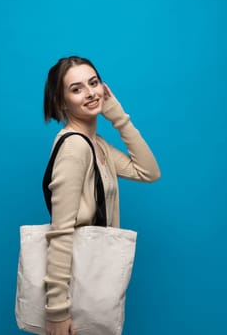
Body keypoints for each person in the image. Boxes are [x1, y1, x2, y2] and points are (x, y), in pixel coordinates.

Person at [43, 56, 161, 335]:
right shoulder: (75, 148)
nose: (90, 92)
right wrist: (58, 312)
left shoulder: (98, 146)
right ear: (62, 102)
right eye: (76, 89)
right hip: (74, 292)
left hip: (91, 282)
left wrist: (117, 116)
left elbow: (148, 171)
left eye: (93, 83)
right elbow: (60, 231)